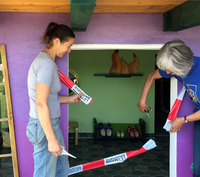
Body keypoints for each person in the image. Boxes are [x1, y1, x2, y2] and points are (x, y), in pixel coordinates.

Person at [26, 22, 82, 177]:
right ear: (57, 41)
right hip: (44, 126)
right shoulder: (45, 64)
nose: (69, 50)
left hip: (49, 124)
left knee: (60, 170)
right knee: (45, 173)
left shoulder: (48, 62)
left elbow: (49, 98)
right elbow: (40, 102)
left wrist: (70, 99)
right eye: (69, 45)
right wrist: (51, 139)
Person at [137, 39, 200, 177]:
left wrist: (183, 120)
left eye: (171, 70)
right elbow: (152, 76)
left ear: (185, 65)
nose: (167, 72)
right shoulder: (176, 68)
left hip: (194, 116)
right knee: (198, 168)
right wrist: (142, 100)